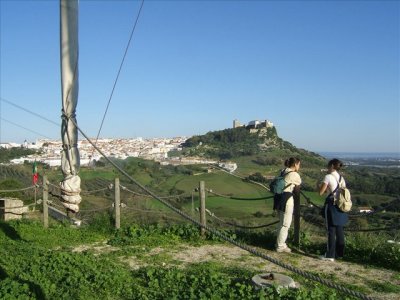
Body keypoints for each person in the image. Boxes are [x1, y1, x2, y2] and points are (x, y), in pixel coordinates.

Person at [318, 158, 349, 261]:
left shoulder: (328, 177)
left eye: (328, 165)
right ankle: (339, 253)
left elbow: (321, 192)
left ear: (331, 166)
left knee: (331, 230)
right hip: (340, 205)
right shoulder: (341, 178)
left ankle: (329, 255)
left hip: (331, 205)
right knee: (339, 230)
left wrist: (319, 186)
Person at [275, 157, 302, 253]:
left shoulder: (283, 171)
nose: (299, 166)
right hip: (287, 199)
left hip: (278, 198)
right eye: (299, 164)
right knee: (285, 224)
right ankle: (280, 246)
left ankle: (279, 243)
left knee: (281, 223)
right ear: (295, 164)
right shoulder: (295, 175)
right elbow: (297, 189)